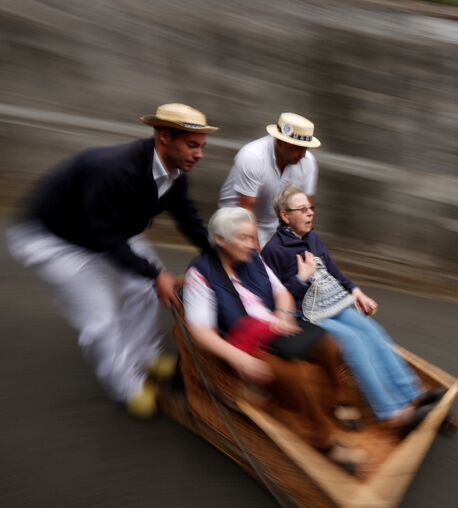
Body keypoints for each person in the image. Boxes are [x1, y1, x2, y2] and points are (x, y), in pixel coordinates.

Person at [6, 103, 217, 418]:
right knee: (101, 318)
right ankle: (126, 387)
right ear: (163, 137)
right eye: (191, 145)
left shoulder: (177, 174)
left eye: (201, 146)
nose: (199, 154)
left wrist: (218, 256)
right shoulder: (116, 170)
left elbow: (188, 220)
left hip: (106, 229)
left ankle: (145, 356)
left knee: (146, 288)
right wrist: (154, 274)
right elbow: (106, 238)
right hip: (53, 238)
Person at [183, 207, 365, 472]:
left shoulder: (253, 259)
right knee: (295, 377)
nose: (251, 244)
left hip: (273, 329)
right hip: (244, 343)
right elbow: (200, 331)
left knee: (328, 344)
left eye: (252, 237)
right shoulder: (200, 274)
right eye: (243, 238)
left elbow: (282, 294)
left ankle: (338, 397)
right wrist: (240, 359)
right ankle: (324, 439)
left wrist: (283, 315)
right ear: (221, 240)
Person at [261, 185, 445, 434]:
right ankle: (393, 414)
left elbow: (333, 271)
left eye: (311, 208)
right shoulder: (273, 250)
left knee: (373, 330)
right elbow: (275, 297)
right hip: (308, 312)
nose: (310, 213)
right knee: (354, 341)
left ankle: (413, 394)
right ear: (285, 215)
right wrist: (301, 278)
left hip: (334, 301)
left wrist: (356, 292)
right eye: (302, 209)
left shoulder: (312, 237)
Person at [218, 112, 320, 249]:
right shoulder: (252, 156)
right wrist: (259, 260)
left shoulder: (308, 162)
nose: (302, 154)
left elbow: (304, 212)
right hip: (235, 223)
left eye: (305, 148)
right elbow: (245, 212)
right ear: (279, 141)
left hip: (273, 228)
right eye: (297, 147)